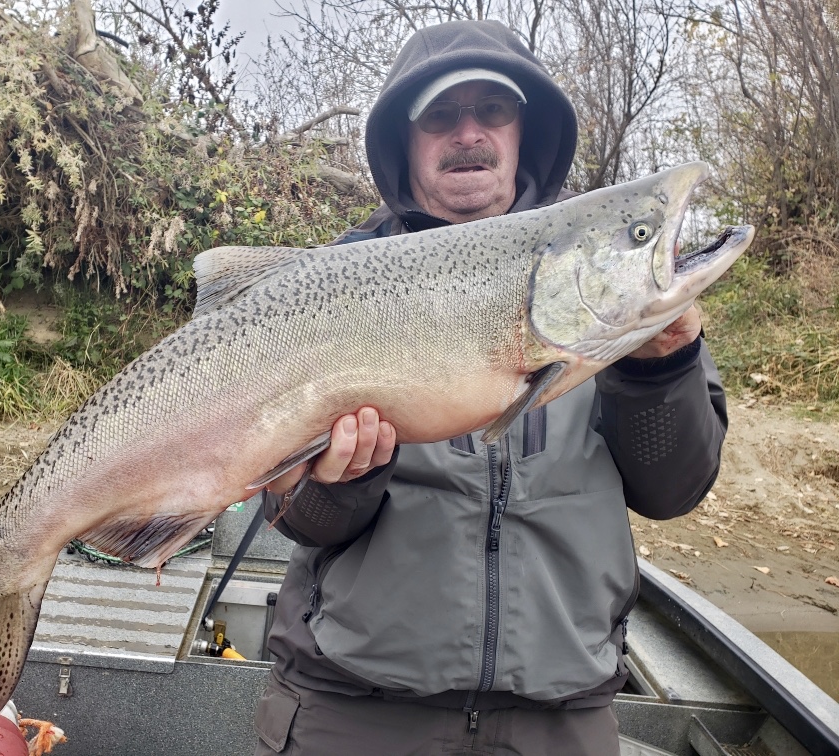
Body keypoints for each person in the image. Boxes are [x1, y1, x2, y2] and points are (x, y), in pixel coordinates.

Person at [252, 19, 727, 756]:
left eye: (491, 112)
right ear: (404, 143)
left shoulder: (604, 282)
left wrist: (661, 366)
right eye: (441, 115)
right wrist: (343, 483)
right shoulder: (328, 287)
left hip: (561, 717)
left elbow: (673, 492)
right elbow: (300, 518)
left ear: (523, 132)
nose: (468, 132)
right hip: (355, 710)